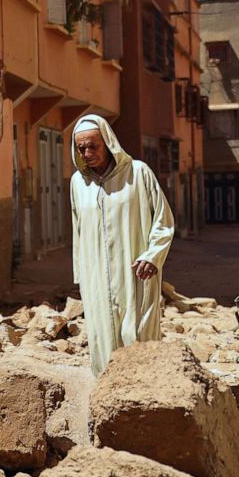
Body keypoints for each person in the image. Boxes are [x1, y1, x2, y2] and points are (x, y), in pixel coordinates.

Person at [70, 114, 174, 376]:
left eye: (93, 145)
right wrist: (81, 274)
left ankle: (146, 397)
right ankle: (108, 399)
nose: (87, 153)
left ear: (108, 143)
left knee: (138, 334)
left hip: (135, 273)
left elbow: (163, 219)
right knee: (101, 337)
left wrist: (153, 256)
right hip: (96, 278)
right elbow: (78, 231)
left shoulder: (138, 173)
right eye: (81, 147)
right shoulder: (77, 183)